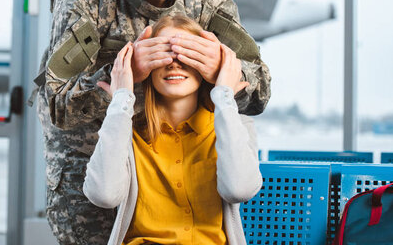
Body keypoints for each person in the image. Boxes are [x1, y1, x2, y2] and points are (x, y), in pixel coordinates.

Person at [37, 0, 271, 244]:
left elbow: (260, 91)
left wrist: (223, 71)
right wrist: (121, 77)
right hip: (88, 151)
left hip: (168, 155)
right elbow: (55, 103)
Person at [84, 15, 262, 245]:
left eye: (189, 54)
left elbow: (240, 190)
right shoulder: (124, 130)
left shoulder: (232, 126)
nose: (174, 63)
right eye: (163, 53)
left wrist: (224, 94)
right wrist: (121, 97)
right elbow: (103, 195)